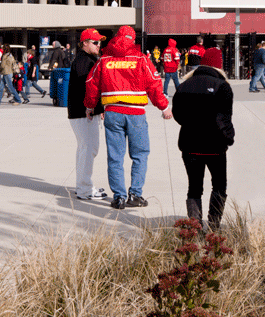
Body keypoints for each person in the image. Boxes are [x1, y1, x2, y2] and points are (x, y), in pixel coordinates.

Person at [83, 25, 172, 210]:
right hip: (136, 114)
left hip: (113, 113)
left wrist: (90, 106)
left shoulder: (105, 59)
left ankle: (119, 197)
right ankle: (135, 195)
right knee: (140, 155)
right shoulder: (141, 58)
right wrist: (164, 107)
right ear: (133, 39)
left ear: (116, 38)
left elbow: (92, 83)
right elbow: (154, 83)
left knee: (115, 157)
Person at [171, 46, 234, 230]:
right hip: (214, 145)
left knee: (194, 188)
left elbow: (177, 114)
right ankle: (214, 227)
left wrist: (191, 125)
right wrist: (228, 138)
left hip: (189, 144)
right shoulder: (222, 86)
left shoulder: (183, 86)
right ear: (219, 66)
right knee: (219, 186)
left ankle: (195, 227)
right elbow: (224, 119)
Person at [67, 28, 108, 201]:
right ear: (85, 43)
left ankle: (82, 185)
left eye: (100, 42)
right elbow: (87, 87)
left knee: (84, 149)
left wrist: (99, 108)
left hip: (82, 111)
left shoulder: (86, 59)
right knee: (89, 148)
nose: (99, 45)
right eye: (95, 42)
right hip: (84, 112)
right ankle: (84, 189)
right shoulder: (85, 61)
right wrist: (92, 108)